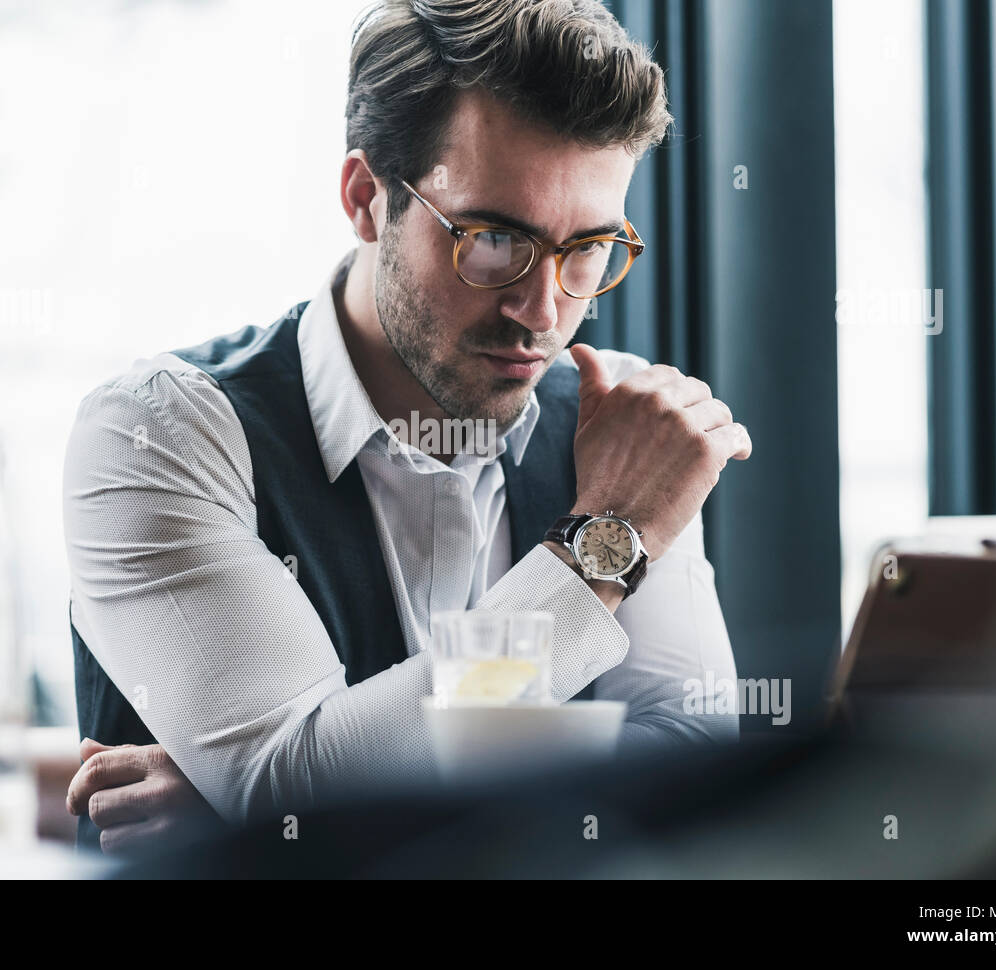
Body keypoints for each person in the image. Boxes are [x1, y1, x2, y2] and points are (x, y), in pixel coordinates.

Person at [62, 0, 752, 855]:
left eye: (589, 249)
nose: (543, 310)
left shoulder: (619, 427)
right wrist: (607, 540)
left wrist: (287, 810)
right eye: (495, 240)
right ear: (366, 199)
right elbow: (291, 778)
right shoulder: (158, 433)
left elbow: (691, 772)